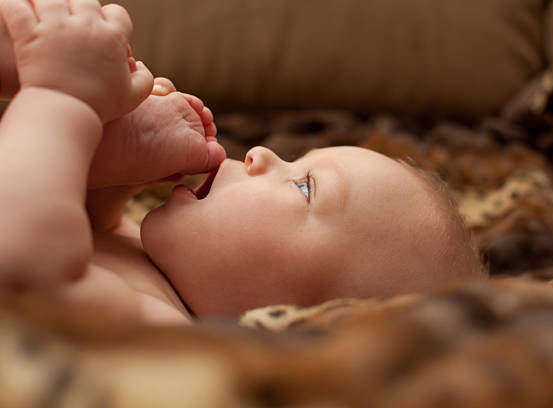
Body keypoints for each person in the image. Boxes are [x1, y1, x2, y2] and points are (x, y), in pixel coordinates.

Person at [0, 0, 484, 325]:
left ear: (310, 319)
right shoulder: (152, 264)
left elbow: (23, 262)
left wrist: (64, 97)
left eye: (304, 187)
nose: (262, 154)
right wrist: (109, 175)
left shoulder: (170, 338)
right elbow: (83, 228)